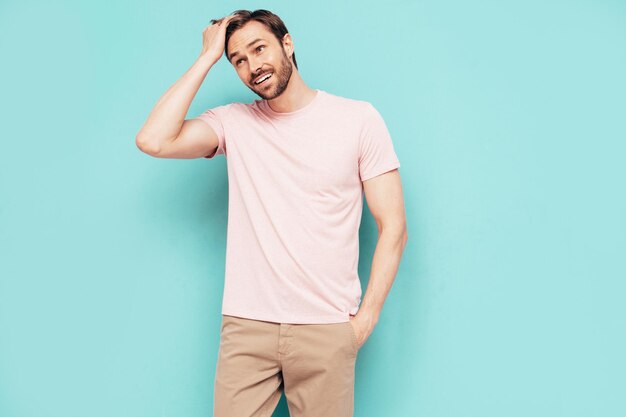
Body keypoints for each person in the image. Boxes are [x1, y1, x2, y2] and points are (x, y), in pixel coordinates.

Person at [135, 9, 408, 417]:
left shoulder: (358, 119)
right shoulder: (234, 122)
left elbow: (394, 227)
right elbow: (153, 140)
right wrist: (207, 57)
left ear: (288, 43)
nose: (252, 66)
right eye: (238, 60)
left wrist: (363, 321)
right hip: (247, 328)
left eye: (259, 48)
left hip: (326, 327)